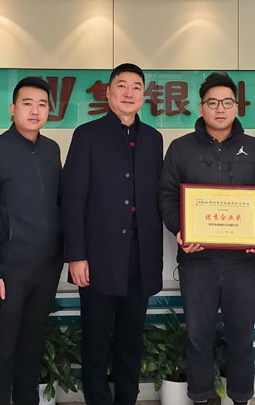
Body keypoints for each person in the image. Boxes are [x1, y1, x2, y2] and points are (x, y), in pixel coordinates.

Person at [158, 72, 255, 405]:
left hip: (243, 260)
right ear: (201, 108)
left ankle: (241, 397)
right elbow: (166, 194)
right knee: (198, 335)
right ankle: (202, 397)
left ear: (236, 107)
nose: (220, 109)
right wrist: (179, 229)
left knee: (241, 335)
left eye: (227, 102)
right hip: (196, 259)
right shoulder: (180, 148)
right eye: (212, 102)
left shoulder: (254, 148)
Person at [62, 63, 163, 405]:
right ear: (108, 92)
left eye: (137, 87)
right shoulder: (87, 135)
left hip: (140, 257)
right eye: (122, 85)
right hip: (98, 257)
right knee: (96, 340)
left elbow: (160, 196)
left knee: (132, 341)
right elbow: (72, 200)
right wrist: (76, 255)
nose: (129, 93)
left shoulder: (154, 139)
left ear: (144, 95)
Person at [0, 77, 63, 405]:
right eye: (27, 103)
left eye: (42, 104)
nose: (35, 111)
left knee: (32, 348)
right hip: (8, 271)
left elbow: (58, 205)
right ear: (12, 109)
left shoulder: (51, 150)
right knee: (1, 350)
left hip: (46, 269)